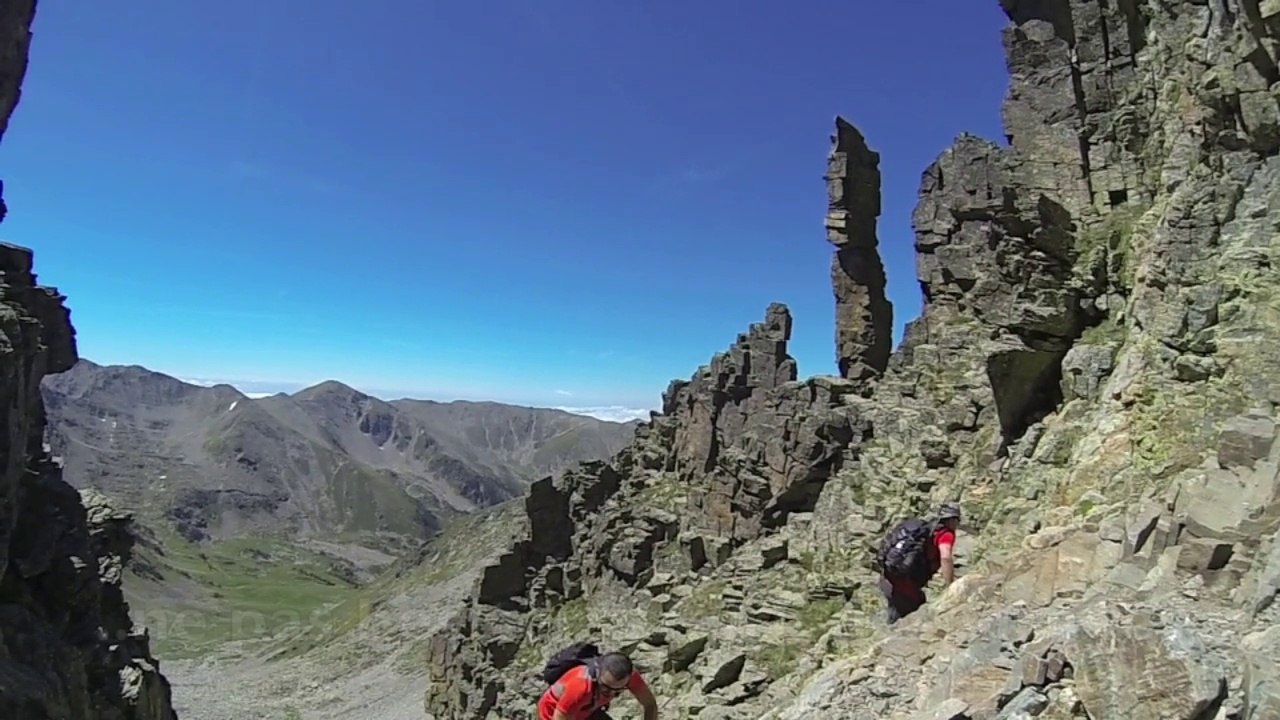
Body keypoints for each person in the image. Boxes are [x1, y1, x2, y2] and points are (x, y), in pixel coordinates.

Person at [876, 502, 961, 625]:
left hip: (889, 577)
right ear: (952, 520)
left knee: (896, 615)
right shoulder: (945, 534)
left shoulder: (927, 528)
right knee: (913, 616)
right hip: (905, 585)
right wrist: (950, 585)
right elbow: (946, 557)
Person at [538, 650, 659, 720]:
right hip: (554, 712)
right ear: (598, 674)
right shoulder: (580, 686)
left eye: (618, 691)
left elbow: (650, 705)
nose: (610, 694)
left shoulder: (630, 676)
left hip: (587, 710)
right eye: (606, 688)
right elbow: (560, 716)